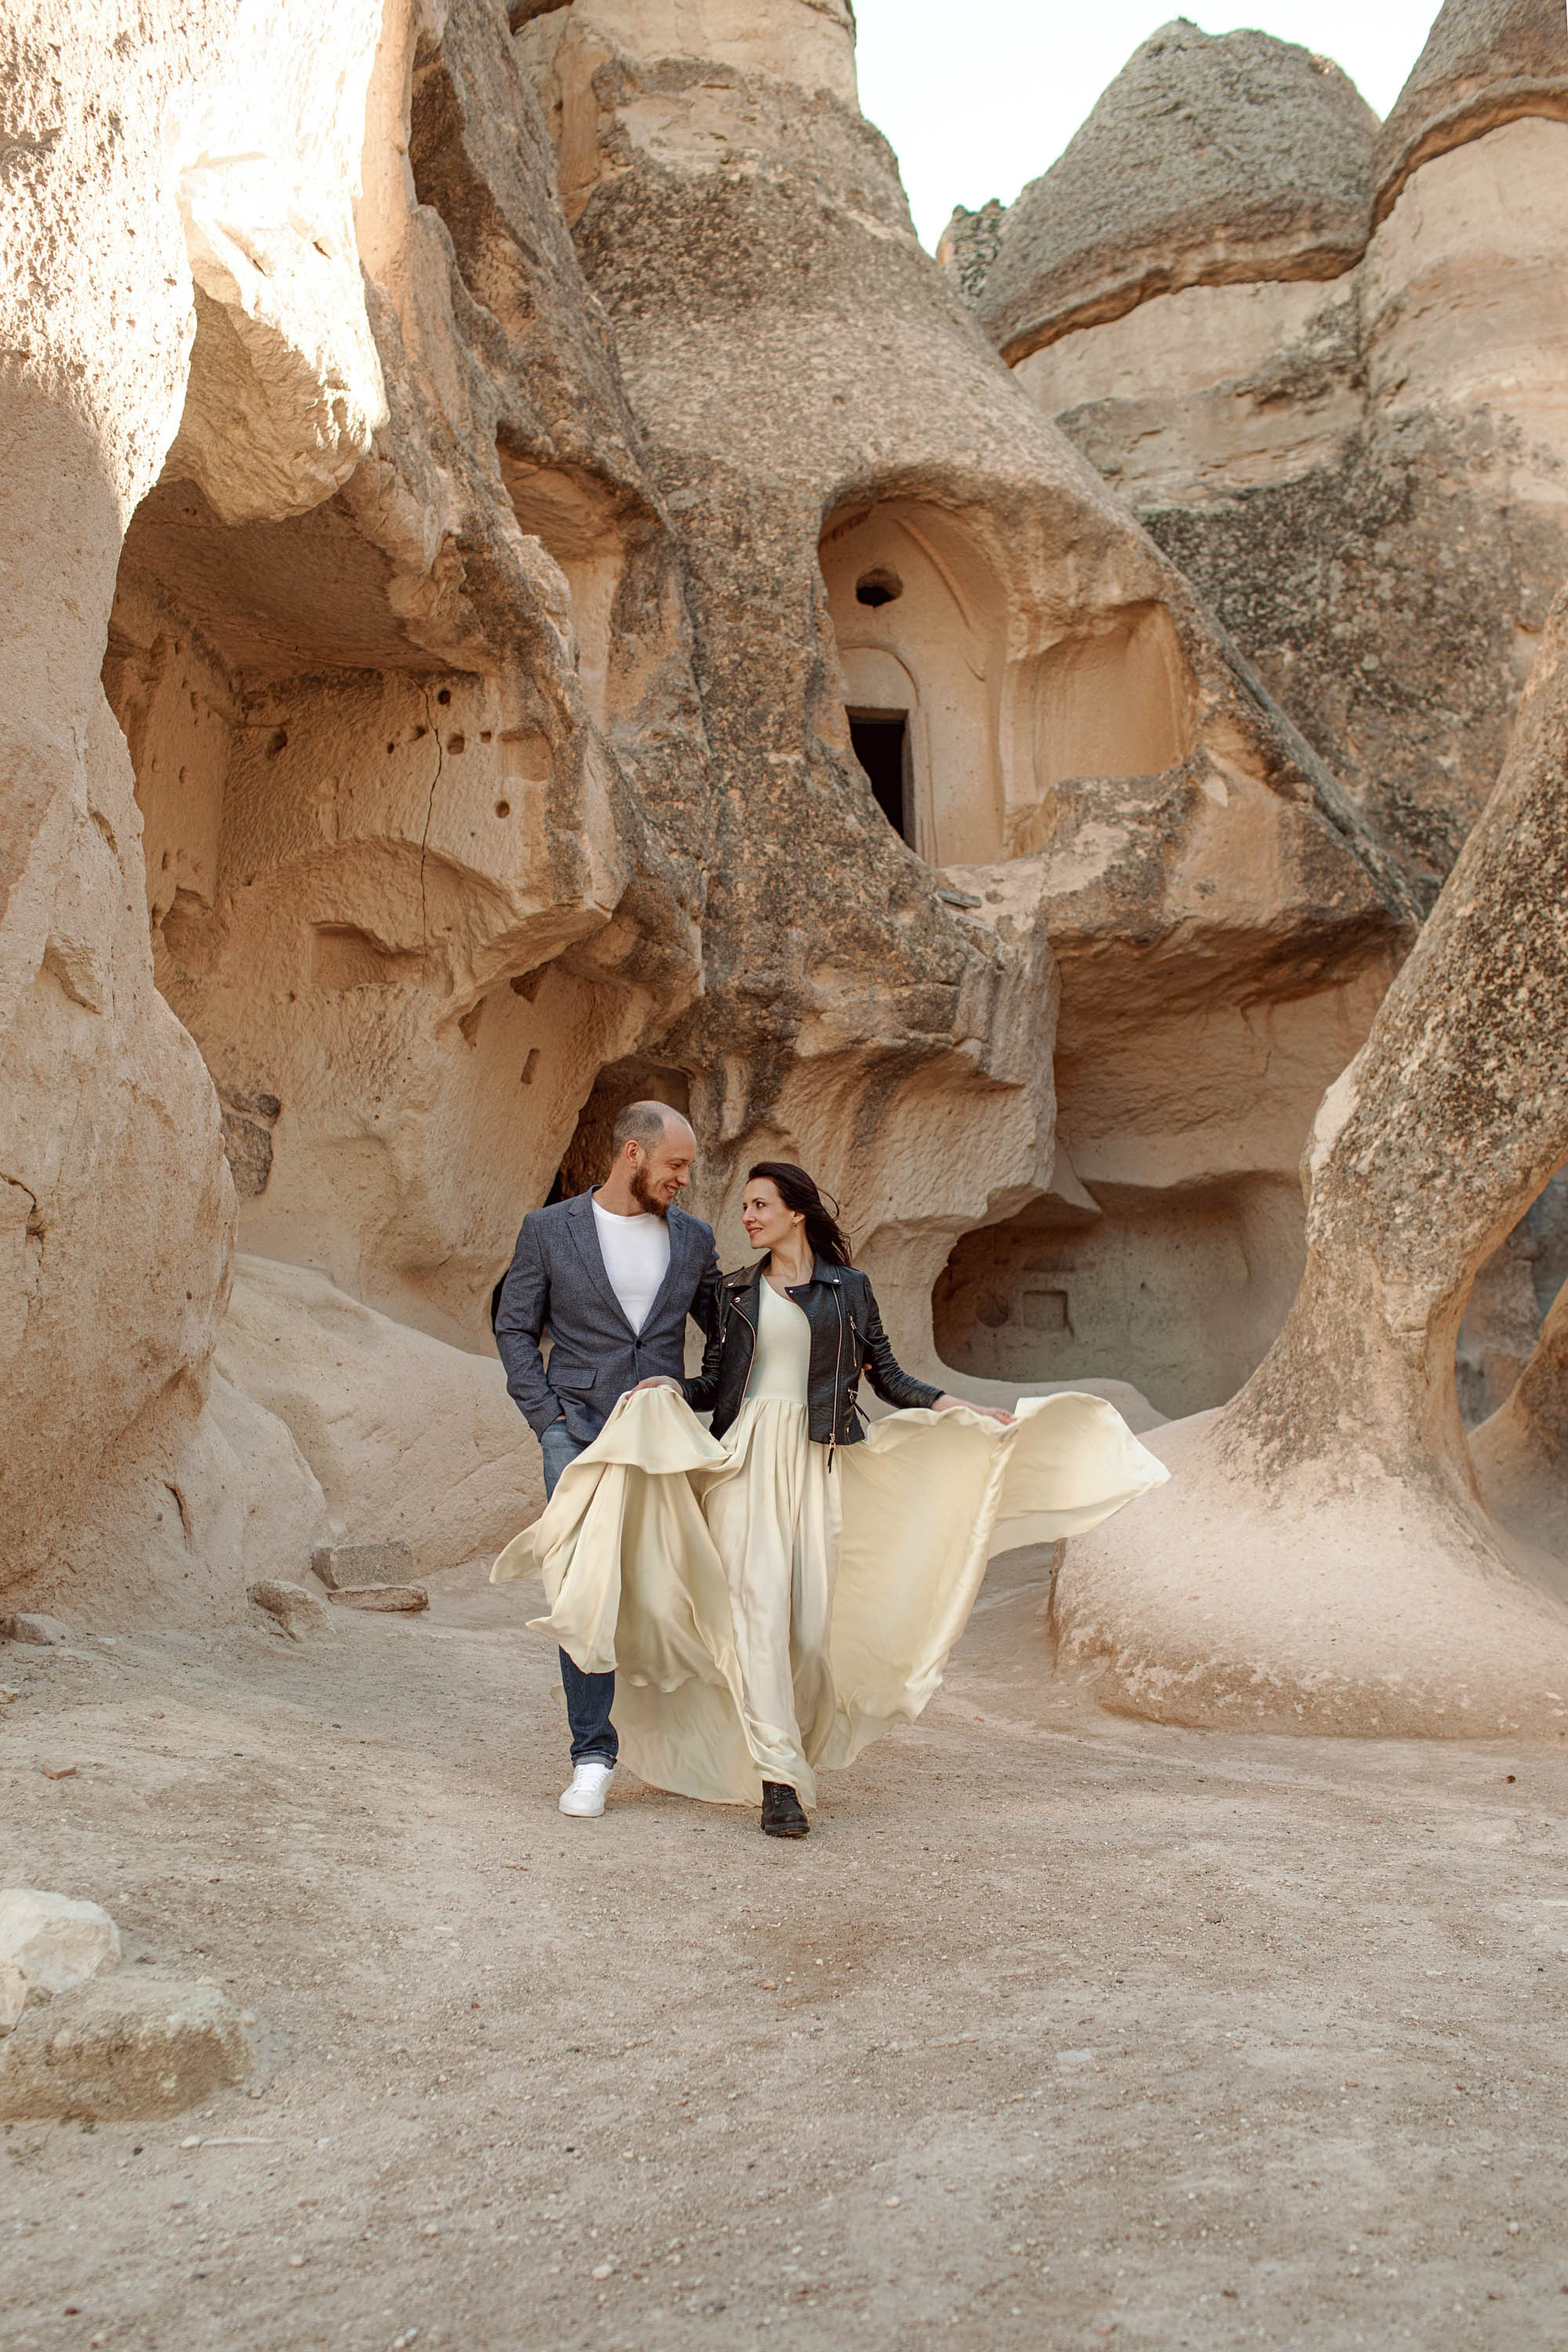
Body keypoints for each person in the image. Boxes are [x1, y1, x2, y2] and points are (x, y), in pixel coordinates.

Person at [494, 1160, 1168, 1838]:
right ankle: (778, 1781)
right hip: (742, 1464)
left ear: (797, 1212)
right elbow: (714, 1382)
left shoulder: (848, 1290)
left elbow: (890, 1376)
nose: (749, 1217)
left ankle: (782, 1747)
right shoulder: (734, 1293)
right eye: (747, 1207)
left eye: (761, 1205)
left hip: (816, 1460)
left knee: (808, 1631)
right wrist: (668, 1390)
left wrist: (953, 1406)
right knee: (755, 1615)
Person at [493, 1100, 718, 1818]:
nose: (684, 1178)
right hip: (579, 1434)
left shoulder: (694, 1238)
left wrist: (696, 1391)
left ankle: (683, 1740)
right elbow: (513, 1327)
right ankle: (592, 1754)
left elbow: (730, 1332)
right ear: (632, 1154)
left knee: (670, 1589)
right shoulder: (548, 1230)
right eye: (675, 1164)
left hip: (663, 1437)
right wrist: (548, 1422)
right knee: (583, 1594)